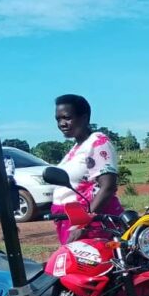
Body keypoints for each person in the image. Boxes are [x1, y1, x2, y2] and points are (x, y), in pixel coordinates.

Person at [51, 94, 123, 244]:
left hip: (91, 225)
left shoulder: (97, 143)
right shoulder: (77, 148)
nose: (62, 123)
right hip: (72, 220)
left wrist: (83, 223)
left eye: (67, 118)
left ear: (84, 118)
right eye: (58, 119)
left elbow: (108, 187)